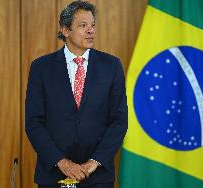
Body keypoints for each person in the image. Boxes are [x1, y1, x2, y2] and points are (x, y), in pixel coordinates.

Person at [25, 1, 127, 188]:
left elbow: (119, 120)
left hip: (97, 176)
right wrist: (62, 162)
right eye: (83, 25)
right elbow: (34, 122)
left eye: (93, 25)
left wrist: (94, 162)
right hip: (53, 175)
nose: (91, 30)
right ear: (65, 30)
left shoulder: (111, 66)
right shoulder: (41, 68)